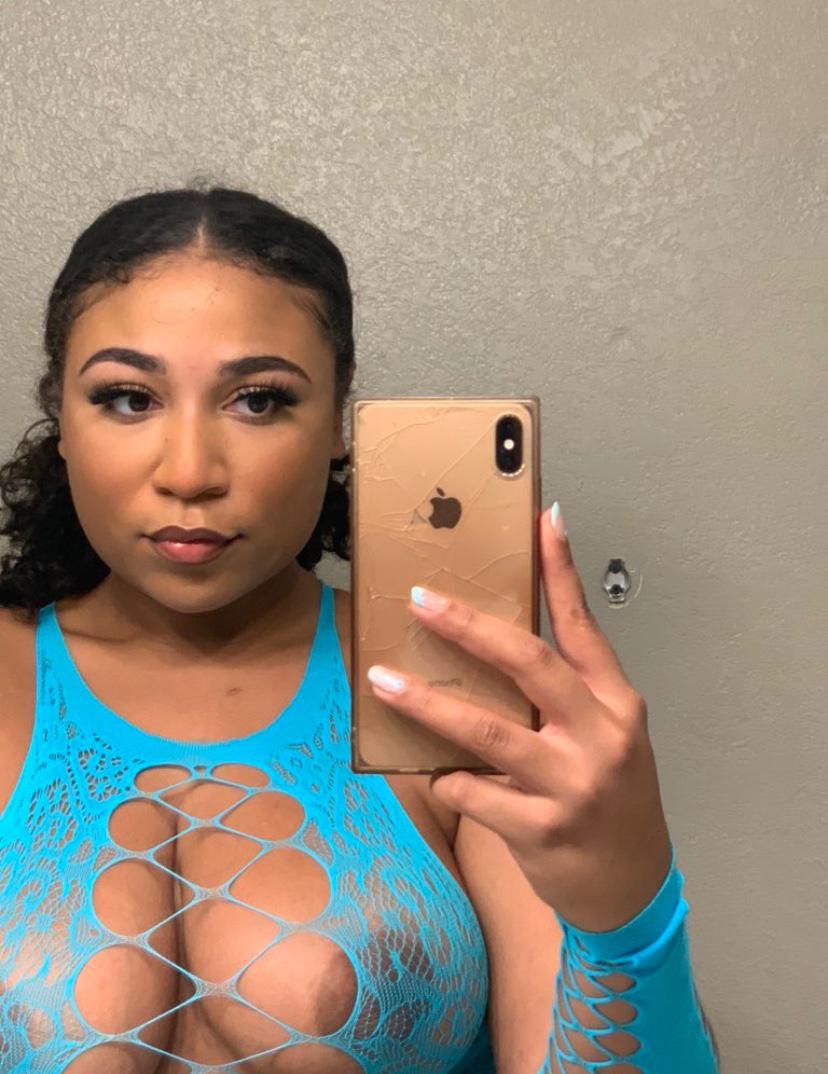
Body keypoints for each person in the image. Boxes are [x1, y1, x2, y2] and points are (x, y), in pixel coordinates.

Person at [0, 182, 720, 1073]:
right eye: (127, 398)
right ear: (61, 417)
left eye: (257, 400)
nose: (189, 471)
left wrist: (629, 912)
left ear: (340, 418)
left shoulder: (450, 694)